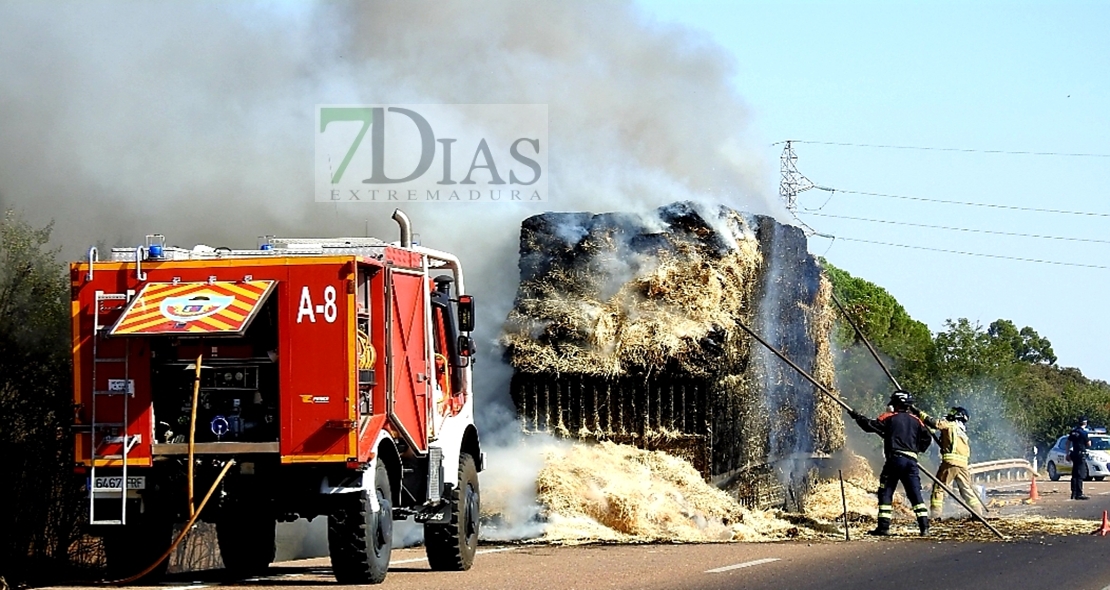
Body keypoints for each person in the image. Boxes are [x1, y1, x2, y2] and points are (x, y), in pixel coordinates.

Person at [849, 390, 934, 536]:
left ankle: (883, 527)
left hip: (895, 460)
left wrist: (857, 417)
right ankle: (924, 527)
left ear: (896, 404)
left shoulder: (889, 418)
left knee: (886, 491)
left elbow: (869, 426)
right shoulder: (917, 420)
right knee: (915, 495)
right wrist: (916, 448)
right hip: (911, 461)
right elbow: (927, 438)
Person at [915, 406, 985, 519]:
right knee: (966, 489)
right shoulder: (962, 431)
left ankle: (935, 515)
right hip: (963, 464)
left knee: (939, 488)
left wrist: (919, 413)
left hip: (950, 463)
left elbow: (935, 423)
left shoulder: (950, 425)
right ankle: (978, 513)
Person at [1067, 416, 1092, 500]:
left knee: (1074, 474)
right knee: (1080, 474)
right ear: (1085, 423)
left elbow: (1067, 443)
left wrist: (1067, 454)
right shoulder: (1084, 433)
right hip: (1081, 454)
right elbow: (1089, 444)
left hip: (1074, 454)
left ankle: (1073, 493)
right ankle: (1079, 494)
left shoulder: (1073, 432)